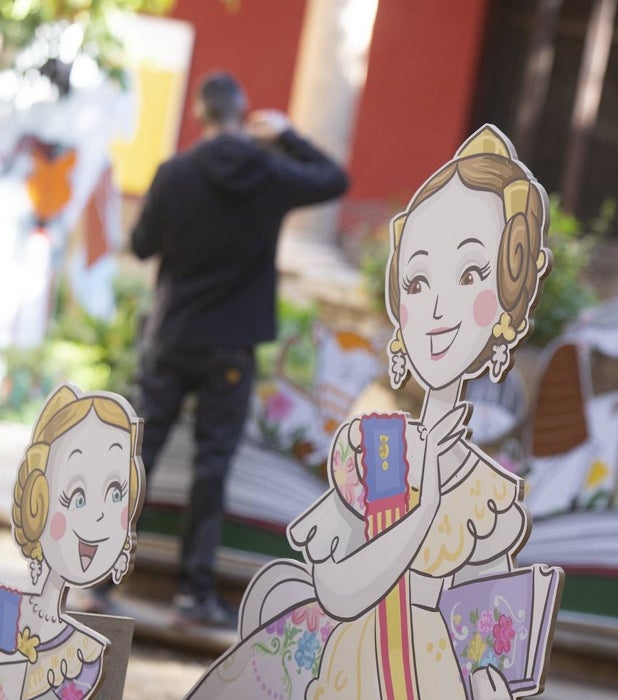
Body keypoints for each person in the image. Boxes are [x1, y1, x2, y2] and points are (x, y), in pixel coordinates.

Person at [184, 125, 553, 699]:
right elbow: (339, 591)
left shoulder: (488, 490)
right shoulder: (378, 448)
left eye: (471, 275)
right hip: (356, 676)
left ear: (509, 301)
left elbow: (486, 643)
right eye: (419, 278)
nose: (437, 307)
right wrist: (423, 504)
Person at [129, 71, 349, 626]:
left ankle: (98, 578)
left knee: (138, 456)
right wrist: (285, 135)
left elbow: (140, 245)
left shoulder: (173, 173)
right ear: (244, 111)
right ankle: (193, 594)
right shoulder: (269, 171)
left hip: (172, 334)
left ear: (201, 114)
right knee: (212, 465)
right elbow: (332, 179)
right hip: (230, 346)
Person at [0, 384, 144, 700]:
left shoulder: (87, 656)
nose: (98, 516)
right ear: (39, 502)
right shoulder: (6, 610)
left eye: (116, 494)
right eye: (77, 496)